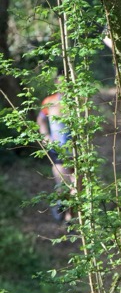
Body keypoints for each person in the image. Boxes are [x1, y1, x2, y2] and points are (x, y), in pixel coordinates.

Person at [36, 90, 74, 222]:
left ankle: (70, 217)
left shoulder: (79, 100)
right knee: (63, 182)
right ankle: (61, 206)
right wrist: (46, 136)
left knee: (76, 186)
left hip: (77, 151)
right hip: (57, 150)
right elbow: (41, 120)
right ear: (57, 82)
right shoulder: (49, 101)